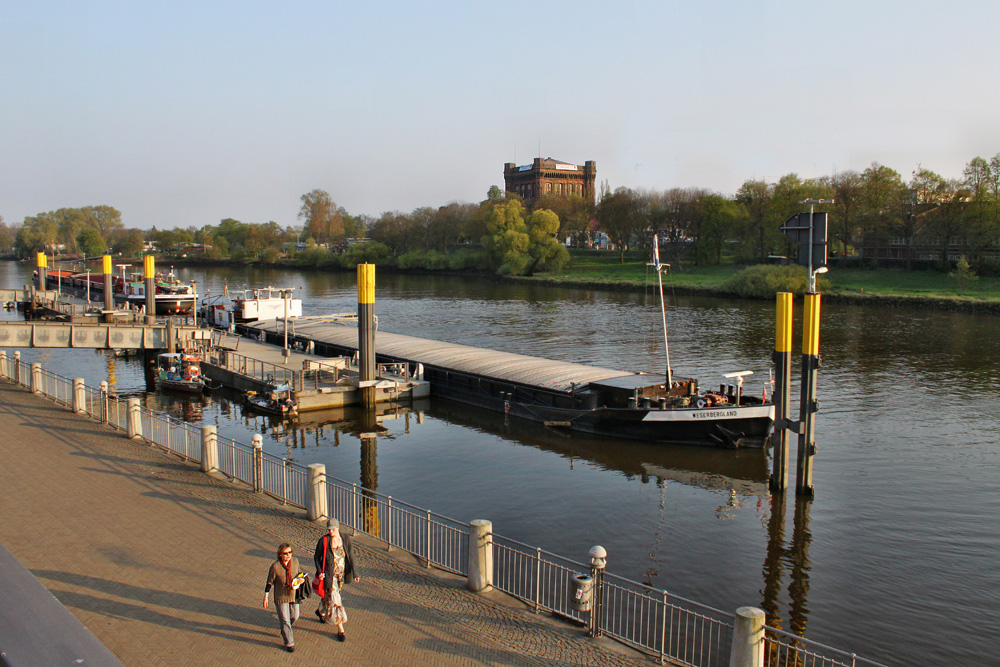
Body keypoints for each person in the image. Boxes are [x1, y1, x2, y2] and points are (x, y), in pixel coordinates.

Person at [313, 519, 360, 641]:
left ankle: (320, 611)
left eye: (333, 529)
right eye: (329, 529)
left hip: (341, 576)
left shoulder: (345, 538)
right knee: (335, 600)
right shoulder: (324, 541)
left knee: (330, 596)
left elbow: (351, 556)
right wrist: (320, 572)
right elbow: (316, 557)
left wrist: (355, 573)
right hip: (329, 576)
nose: (331, 531)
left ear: (338, 528)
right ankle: (340, 629)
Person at [263, 543, 303, 652]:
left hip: (293, 594)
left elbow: (299, 573)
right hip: (281, 596)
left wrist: (301, 579)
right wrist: (266, 597)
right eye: (285, 553)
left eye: (290, 552)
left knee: (295, 616)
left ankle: (285, 630)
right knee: (285, 620)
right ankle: (289, 642)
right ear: (280, 554)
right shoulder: (275, 567)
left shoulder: (295, 562)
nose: (288, 555)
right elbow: (269, 582)